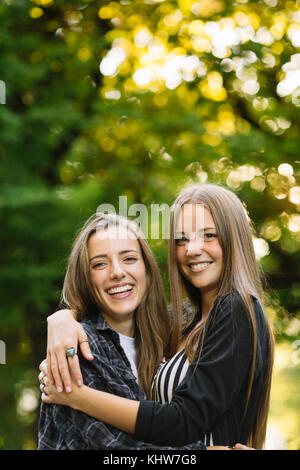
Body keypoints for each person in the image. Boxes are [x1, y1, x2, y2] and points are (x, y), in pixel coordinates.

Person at [41, 183, 272, 448]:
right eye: (181, 239)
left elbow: (182, 422)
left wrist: (77, 396)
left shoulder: (236, 309)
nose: (192, 249)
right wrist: (62, 319)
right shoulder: (180, 321)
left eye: (208, 235)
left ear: (235, 239)